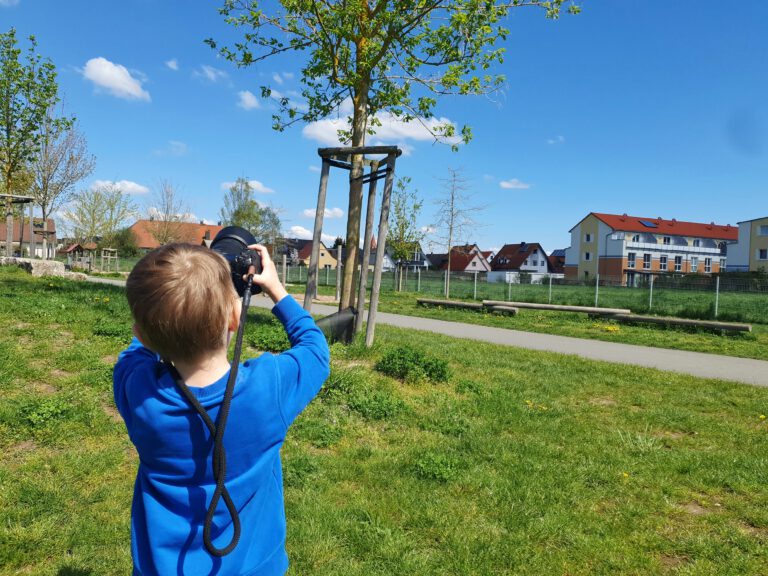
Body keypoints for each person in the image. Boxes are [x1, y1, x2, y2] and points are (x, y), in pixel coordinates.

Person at [113, 242, 330, 575]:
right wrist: (275, 289)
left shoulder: (136, 390)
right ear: (235, 317)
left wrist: (160, 299)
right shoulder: (268, 388)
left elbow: (138, 348)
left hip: (162, 567)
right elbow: (316, 351)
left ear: (142, 334)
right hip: (254, 566)